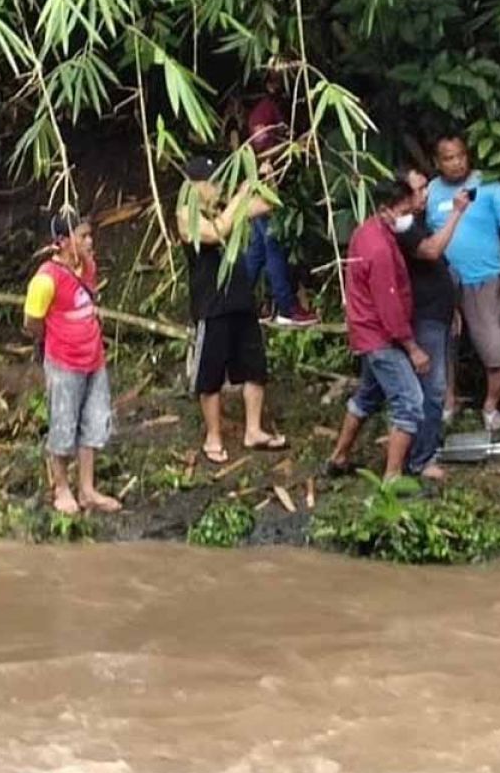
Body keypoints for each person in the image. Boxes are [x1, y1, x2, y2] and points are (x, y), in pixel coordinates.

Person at [177, 154, 288, 464]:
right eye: (210, 183)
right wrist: (240, 197)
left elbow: (271, 203)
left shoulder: (228, 209)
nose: (215, 188)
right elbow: (217, 232)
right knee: (210, 375)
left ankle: (253, 430)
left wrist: (266, 178)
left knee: (255, 365)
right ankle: (213, 436)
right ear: (194, 186)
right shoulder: (187, 215)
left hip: (240, 297)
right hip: (210, 304)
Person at [325, 176, 430, 482]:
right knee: (410, 403)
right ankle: (393, 477)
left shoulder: (365, 231)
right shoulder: (381, 249)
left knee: (368, 396)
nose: (406, 216)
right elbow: (390, 306)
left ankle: (339, 457)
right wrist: (412, 349)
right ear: (386, 210)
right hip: (381, 337)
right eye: (402, 211)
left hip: (366, 331)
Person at [23, 211, 120, 514]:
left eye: (90, 235)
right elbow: (32, 323)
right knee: (63, 425)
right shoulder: (45, 279)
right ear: (63, 241)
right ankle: (61, 488)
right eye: (83, 236)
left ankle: (87, 489)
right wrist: (55, 339)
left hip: (94, 359)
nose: (90, 241)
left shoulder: (87, 266)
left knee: (93, 422)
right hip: (64, 362)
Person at [426, 131, 500, 432]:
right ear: (437, 162)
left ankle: (491, 406)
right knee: (443, 346)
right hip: (445, 280)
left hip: (484, 279)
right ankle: (448, 402)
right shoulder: (431, 192)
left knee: (494, 347)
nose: (456, 163)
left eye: (461, 156)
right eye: (448, 158)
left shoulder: (489, 184)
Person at [396, 168, 471, 480]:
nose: (425, 194)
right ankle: (420, 459)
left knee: (434, 387)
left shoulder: (417, 221)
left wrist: (452, 307)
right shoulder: (404, 226)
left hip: (437, 314)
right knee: (432, 388)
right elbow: (432, 251)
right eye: (418, 189)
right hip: (424, 317)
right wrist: (456, 213)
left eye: (426, 187)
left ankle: (425, 448)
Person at [245, 69, 319, 327]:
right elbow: (262, 151)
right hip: (268, 188)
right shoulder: (263, 113)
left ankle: (241, 302)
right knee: (273, 244)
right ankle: (287, 308)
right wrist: (295, 146)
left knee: (257, 249)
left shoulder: (275, 109)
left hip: (269, 187)